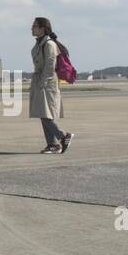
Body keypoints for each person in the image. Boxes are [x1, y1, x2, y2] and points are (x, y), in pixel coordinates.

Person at [31, 16, 72, 153]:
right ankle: (53, 145)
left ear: (42, 29)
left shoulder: (49, 44)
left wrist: (43, 82)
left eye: (35, 26)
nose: (32, 28)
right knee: (44, 114)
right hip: (40, 80)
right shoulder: (40, 43)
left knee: (45, 114)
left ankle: (63, 136)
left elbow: (50, 65)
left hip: (47, 81)